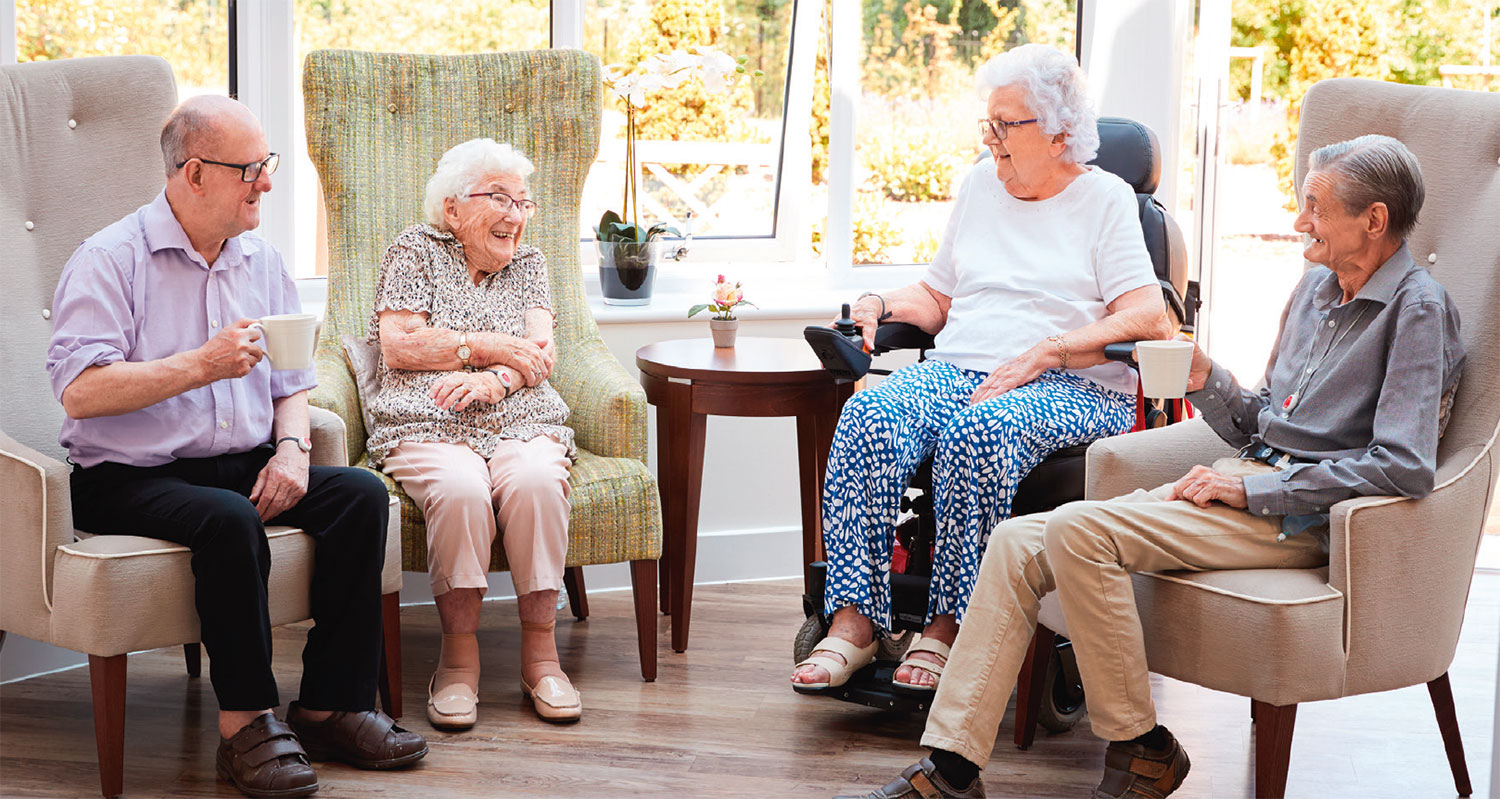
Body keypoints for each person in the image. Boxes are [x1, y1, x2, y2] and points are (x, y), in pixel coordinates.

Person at [841, 133, 1465, 799]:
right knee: (1018, 539)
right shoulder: (1316, 289)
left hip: (1301, 515)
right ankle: (953, 770)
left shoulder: (1418, 309)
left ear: (1373, 219)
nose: (1298, 222)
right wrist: (1206, 377)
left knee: (1075, 530)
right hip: (1248, 474)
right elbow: (1264, 421)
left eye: (1314, 207)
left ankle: (1143, 748)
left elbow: (1402, 466)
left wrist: (1254, 490)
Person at [46, 96, 426, 799]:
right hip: (127, 473)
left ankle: (330, 706)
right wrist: (200, 364)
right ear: (194, 174)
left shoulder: (261, 259)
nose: (267, 183)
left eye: (266, 164)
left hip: (245, 458)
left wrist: (291, 449)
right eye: (251, 168)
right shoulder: (108, 259)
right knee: (227, 517)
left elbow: (292, 377)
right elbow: (80, 392)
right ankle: (245, 723)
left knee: (362, 495)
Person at [791, 44, 1174, 695]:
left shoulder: (1107, 200)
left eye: (1006, 124)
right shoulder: (979, 185)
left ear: (1058, 132)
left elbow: (1150, 318)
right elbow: (938, 298)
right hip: (964, 369)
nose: (990, 139)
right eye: (987, 123)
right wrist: (880, 304)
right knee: (870, 415)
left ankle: (950, 627)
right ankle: (856, 621)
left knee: (979, 432)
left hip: (1074, 385)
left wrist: (1051, 348)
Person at [367, 138, 580, 729]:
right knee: (461, 489)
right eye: (499, 198)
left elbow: (543, 353)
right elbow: (401, 344)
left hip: (521, 416)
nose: (515, 214)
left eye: (523, 202)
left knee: (538, 479)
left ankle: (542, 654)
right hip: (427, 418)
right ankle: (459, 659)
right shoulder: (415, 249)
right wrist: (482, 348)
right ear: (454, 208)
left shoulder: (530, 264)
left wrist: (497, 382)